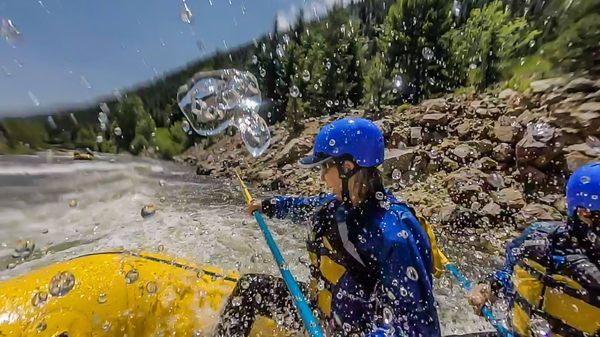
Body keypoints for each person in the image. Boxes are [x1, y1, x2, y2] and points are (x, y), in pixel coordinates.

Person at [215, 117, 442, 337]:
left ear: (347, 167)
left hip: (358, 329)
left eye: (325, 169)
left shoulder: (394, 234)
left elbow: (418, 328)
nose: (323, 177)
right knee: (250, 287)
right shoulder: (338, 204)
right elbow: (304, 206)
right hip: (322, 310)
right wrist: (268, 205)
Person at [467, 162, 600, 337]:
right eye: (595, 216)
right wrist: (489, 287)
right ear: (580, 212)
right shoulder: (538, 238)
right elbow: (511, 273)